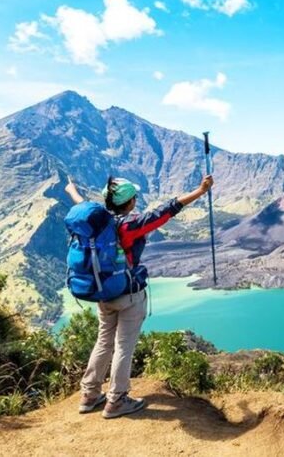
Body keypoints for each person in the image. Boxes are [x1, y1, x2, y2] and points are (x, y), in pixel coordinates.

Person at [64, 173, 213, 419]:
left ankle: (89, 395)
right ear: (130, 202)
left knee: (104, 342)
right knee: (124, 346)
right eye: (134, 197)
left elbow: (80, 203)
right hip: (128, 295)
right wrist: (200, 191)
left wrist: (71, 189)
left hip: (103, 293)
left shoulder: (98, 222)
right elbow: (167, 210)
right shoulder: (129, 225)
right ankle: (117, 400)